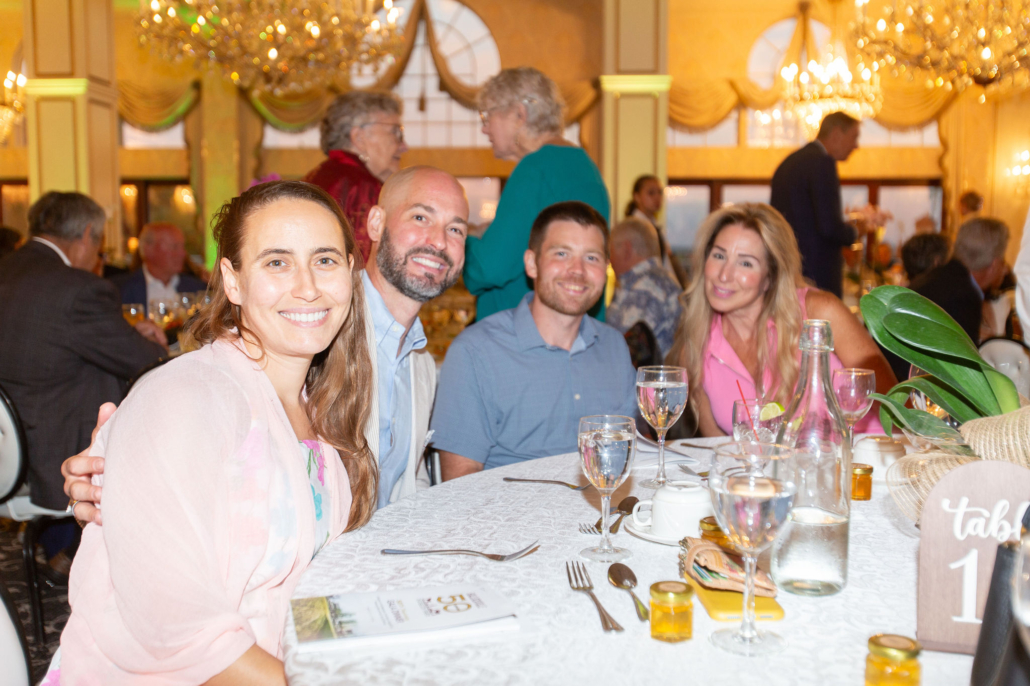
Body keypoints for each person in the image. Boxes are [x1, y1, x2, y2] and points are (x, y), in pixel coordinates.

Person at [53, 180, 378, 685]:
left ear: (350, 273)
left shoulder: (317, 406)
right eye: (277, 262)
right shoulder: (186, 396)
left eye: (325, 260)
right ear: (233, 281)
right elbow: (179, 631)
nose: (308, 286)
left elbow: (302, 585)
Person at [63, 166, 471, 523]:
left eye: (456, 228)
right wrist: (119, 468)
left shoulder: (412, 359)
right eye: (421, 217)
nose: (439, 241)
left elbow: (400, 483)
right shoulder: (307, 343)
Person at [0, 192, 166, 579]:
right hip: (48, 456)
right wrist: (148, 341)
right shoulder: (77, 288)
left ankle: (68, 550)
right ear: (88, 233)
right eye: (100, 244)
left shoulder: (8, 269)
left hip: (9, 443)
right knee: (150, 401)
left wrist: (123, 333)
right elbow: (146, 360)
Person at [432, 201, 637, 480]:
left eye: (592, 258)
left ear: (606, 269)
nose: (577, 270)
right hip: (508, 507)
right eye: (562, 254)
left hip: (603, 505)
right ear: (532, 263)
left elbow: (630, 454)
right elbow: (460, 482)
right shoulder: (475, 352)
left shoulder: (613, 346)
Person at [665, 203, 896, 437]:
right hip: (771, 463)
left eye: (745, 263)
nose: (724, 275)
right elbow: (719, 449)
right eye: (719, 255)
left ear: (770, 277)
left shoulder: (819, 313)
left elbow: (895, 408)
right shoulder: (695, 349)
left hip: (864, 455)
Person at [463, 67, 610, 321]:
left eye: (488, 115)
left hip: (522, 333)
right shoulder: (585, 167)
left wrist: (463, 238)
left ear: (519, 114)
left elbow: (489, 268)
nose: (484, 129)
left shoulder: (535, 169)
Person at [304, 91, 409, 264]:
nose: (404, 146)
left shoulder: (314, 176)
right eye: (395, 133)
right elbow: (369, 267)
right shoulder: (363, 187)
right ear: (359, 138)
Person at [770, 111, 863, 298]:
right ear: (836, 134)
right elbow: (828, 227)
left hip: (788, 269)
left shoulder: (790, 162)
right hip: (817, 275)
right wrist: (856, 230)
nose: (856, 146)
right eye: (854, 137)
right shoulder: (823, 162)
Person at [911, 217, 1010, 345]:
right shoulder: (965, 295)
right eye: (1002, 261)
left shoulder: (934, 277)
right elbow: (963, 356)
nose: (1005, 270)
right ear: (994, 265)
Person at [607, 216, 683, 360]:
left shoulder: (644, 288)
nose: (609, 261)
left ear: (626, 250)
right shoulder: (662, 280)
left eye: (610, 252)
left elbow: (618, 352)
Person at [110, 221, 207, 313]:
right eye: (175, 247)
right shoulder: (119, 290)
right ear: (148, 250)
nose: (182, 254)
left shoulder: (198, 289)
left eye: (183, 247)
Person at [625, 174, 688, 287]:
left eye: (660, 192)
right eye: (651, 193)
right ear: (637, 197)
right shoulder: (634, 227)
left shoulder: (654, 225)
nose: (657, 197)